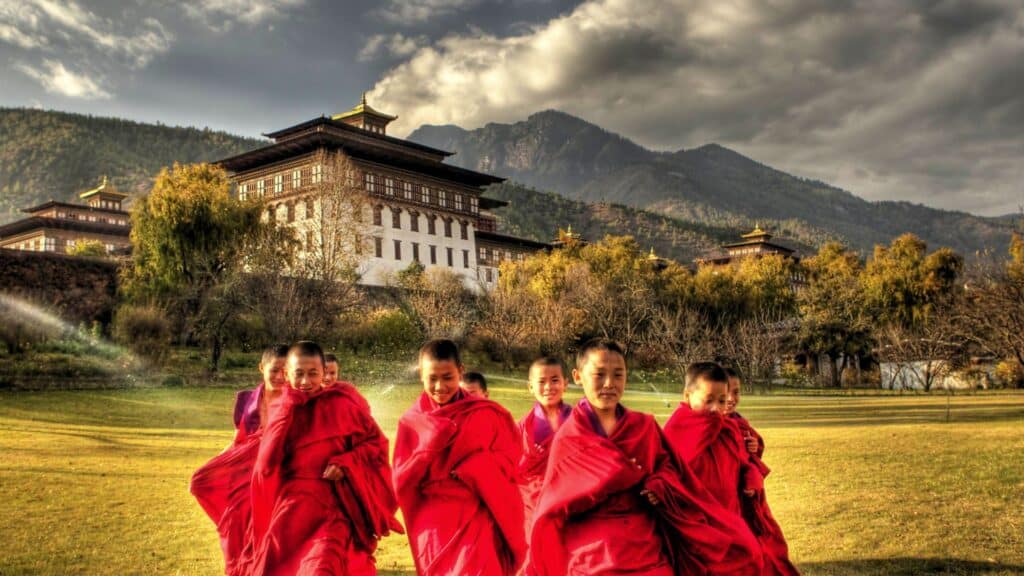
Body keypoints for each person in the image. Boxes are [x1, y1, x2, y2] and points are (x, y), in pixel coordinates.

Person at [530, 340, 762, 576]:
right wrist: (616, 475)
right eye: (599, 374)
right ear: (578, 377)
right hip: (592, 553)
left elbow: (670, 468)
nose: (609, 383)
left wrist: (659, 484)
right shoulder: (569, 438)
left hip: (644, 545)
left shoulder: (643, 427)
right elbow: (555, 504)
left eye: (618, 375)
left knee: (740, 546)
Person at [243, 340, 403, 575]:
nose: (305, 381)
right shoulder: (280, 408)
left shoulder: (342, 404)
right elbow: (266, 464)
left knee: (322, 567)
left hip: (333, 507)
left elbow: (376, 444)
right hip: (292, 508)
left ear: (324, 373)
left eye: (313, 373)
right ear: (287, 374)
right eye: (299, 374)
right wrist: (287, 409)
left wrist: (346, 462)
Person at [393, 339, 526, 575]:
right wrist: (428, 449)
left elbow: (510, 459)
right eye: (432, 378)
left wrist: (477, 467)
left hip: (475, 515)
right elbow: (401, 480)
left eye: (448, 377)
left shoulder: (485, 413)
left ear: (460, 371)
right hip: (434, 525)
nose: (440, 386)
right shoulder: (412, 422)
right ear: (421, 374)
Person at [190, 344, 288, 574]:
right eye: (274, 370)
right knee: (237, 522)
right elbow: (238, 440)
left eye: (285, 371)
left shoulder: (297, 401)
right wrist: (211, 468)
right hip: (246, 477)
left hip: (279, 476)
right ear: (261, 368)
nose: (280, 376)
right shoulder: (247, 401)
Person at [725, 367, 800, 576]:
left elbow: (753, 455)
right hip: (727, 499)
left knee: (768, 544)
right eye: (726, 392)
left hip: (747, 497)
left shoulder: (740, 422)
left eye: (736, 392)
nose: (731, 398)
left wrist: (753, 446)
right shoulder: (709, 424)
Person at [517, 356, 571, 540]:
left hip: (569, 490)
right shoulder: (523, 427)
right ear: (530, 387)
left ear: (565, 384)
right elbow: (516, 468)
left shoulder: (577, 420)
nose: (548, 387)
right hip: (533, 496)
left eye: (555, 380)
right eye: (541, 382)